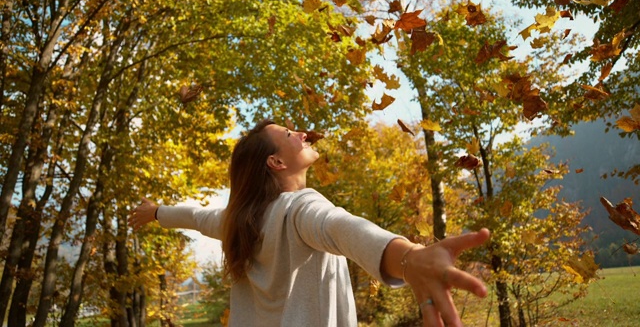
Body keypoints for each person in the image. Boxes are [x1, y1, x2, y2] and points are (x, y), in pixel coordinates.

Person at [129, 119, 490, 327]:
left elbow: (194, 216)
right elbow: (342, 228)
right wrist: (410, 258)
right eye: (289, 135)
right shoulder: (301, 208)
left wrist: (156, 212)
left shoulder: (238, 221)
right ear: (276, 163)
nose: (301, 134)